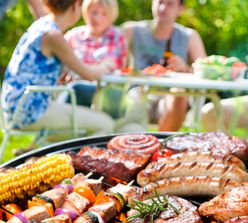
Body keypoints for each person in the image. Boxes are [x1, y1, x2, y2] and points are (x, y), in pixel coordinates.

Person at [1, 0, 115, 135]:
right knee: (105, 123)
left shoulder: (41, 24)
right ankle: (77, 155)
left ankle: (47, 149)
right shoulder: (53, 35)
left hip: (14, 105)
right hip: (30, 109)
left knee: (83, 125)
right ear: (75, 5)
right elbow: (89, 74)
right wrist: (106, 65)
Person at [121, 0, 206, 131]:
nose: (162, 7)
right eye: (160, 1)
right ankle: (140, 143)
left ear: (181, 9)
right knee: (132, 108)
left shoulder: (189, 36)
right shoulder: (131, 31)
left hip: (170, 96)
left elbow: (205, 73)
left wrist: (185, 68)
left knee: (180, 95)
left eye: (170, 4)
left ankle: (161, 146)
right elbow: (114, 61)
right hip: (139, 92)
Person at [61, 0, 128, 108]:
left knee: (78, 89)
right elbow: (59, 63)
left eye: (103, 14)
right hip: (71, 89)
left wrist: (81, 72)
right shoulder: (74, 36)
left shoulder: (116, 37)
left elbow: (111, 66)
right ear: (86, 12)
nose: (97, 18)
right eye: (94, 12)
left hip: (104, 91)